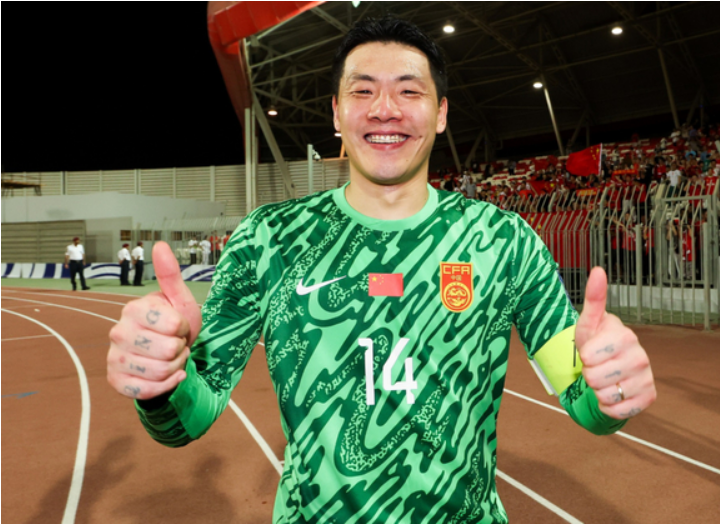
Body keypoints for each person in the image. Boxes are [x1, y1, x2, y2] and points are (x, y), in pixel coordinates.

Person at [106, 16, 655, 524]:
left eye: (409, 91)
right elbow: (187, 420)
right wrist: (160, 385)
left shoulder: (504, 240)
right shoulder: (268, 239)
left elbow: (584, 402)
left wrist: (611, 391)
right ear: (336, 112)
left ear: (441, 113)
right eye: (362, 90)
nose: (385, 109)